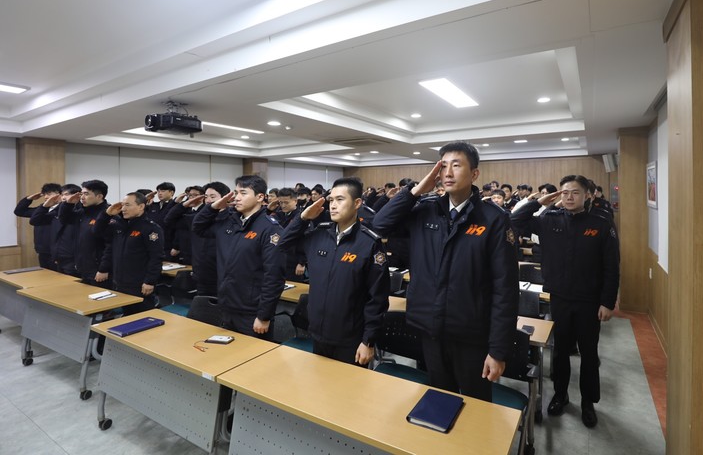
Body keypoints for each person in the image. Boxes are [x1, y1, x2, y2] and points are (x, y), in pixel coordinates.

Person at [373, 141, 518, 402]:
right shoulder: (425, 209)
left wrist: (498, 350)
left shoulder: (493, 218)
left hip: (471, 334)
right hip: (430, 329)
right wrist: (415, 191)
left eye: (457, 165)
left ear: (474, 174)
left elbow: (505, 288)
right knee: (440, 400)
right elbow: (380, 224)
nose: (448, 173)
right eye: (443, 166)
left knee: (476, 407)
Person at [511, 174, 619, 428]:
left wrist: (607, 302)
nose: (569, 197)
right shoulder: (550, 219)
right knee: (560, 351)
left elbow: (612, 266)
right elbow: (514, 220)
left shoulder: (601, 223)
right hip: (559, 297)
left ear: (587, 195)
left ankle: (588, 402)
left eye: (575, 192)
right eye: (565, 192)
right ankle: (560, 395)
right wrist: (539, 202)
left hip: (589, 300)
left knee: (589, 353)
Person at [278, 177, 390, 366]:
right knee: (318, 380)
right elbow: (282, 243)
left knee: (349, 385)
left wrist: (368, 341)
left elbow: (377, 298)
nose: (333, 205)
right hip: (318, 332)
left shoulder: (369, 243)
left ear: (357, 203)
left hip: (351, 339)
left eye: (340, 199)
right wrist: (303, 218)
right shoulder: (318, 235)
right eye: (331, 200)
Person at [191, 175, 285, 339]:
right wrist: (213, 208)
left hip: (252, 312)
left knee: (253, 354)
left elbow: (274, 277)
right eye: (236, 193)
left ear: (260, 197)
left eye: (243, 193)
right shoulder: (229, 222)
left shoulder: (270, 229)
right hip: (226, 304)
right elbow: (198, 227)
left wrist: (264, 316)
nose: (237, 197)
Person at [94, 192, 165, 315]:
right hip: (120, 281)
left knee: (142, 317)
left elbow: (156, 257)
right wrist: (106, 214)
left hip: (139, 284)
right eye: (122, 205)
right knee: (127, 315)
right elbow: (96, 232)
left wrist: (150, 281)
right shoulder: (120, 226)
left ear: (141, 206)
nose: (123, 209)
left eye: (127, 205)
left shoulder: (151, 228)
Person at [59, 180, 112, 286]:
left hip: (99, 270)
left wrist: (103, 269)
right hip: (83, 267)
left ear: (99, 196)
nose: (82, 197)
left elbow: (110, 245)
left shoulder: (107, 214)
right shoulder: (83, 212)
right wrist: (68, 204)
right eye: (81, 194)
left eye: (86, 194)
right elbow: (64, 219)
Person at [30, 184, 81, 276]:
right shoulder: (57, 210)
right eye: (62, 194)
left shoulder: (81, 210)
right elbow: (35, 221)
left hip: (74, 258)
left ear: (77, 195)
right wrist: (44, 207)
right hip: (59, 257)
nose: (64, 197)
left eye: (66, 194)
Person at [14, 183, 62, 269]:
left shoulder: (63, 210)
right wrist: (29, 199)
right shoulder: (40, 210)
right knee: (44, 274)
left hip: (57, 251)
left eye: (49, 194)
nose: (46, 197)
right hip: (42, 250)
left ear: (59, 195)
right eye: (45, 194)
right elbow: (19, 211)